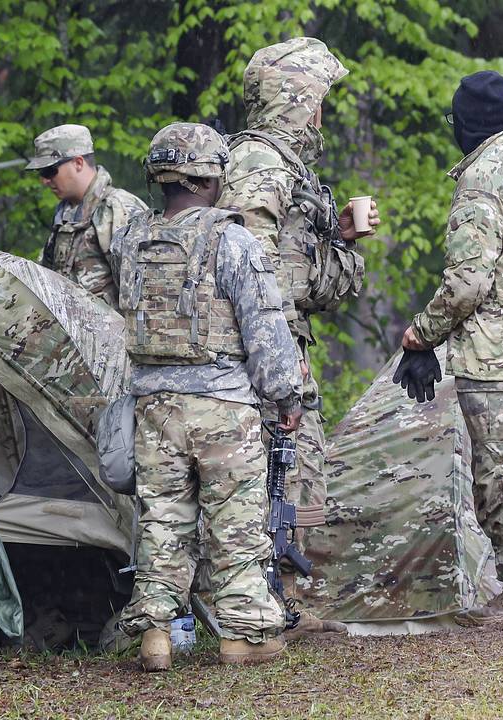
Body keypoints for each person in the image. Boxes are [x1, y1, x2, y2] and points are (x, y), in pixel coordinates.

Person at [111, 122, 303, 671]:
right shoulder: (230, 238)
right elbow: (264, 327)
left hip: (153, 406)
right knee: (236, 523)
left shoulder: (133, 239)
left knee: (162, 521)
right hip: (223, 406)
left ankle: (154, 635)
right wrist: (286, 398)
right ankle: (242, 637)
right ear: (210, 176)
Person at [396, 71, 503, 626]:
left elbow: (468, 281)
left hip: (496, 353)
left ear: (466, 122)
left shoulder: (483, 178)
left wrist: (421, 334)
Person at [217, 37, 375, 616]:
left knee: (296, 471)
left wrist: (342, 241)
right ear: (298, 100)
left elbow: (309, 281)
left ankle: (283, 593)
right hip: (264, 353)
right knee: (277, 470)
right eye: (319, 101)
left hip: (281, 346)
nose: (323, 115)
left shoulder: (288, 167)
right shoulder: (260, 162)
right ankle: (263, 599)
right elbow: (251, 270)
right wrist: (277, 358)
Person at [25, 124, 146, 306]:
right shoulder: (66, 214)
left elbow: (144, 292)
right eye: (41, 173)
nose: (44, 180)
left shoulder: (119, 209)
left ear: (78, 163)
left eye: (50, 171)